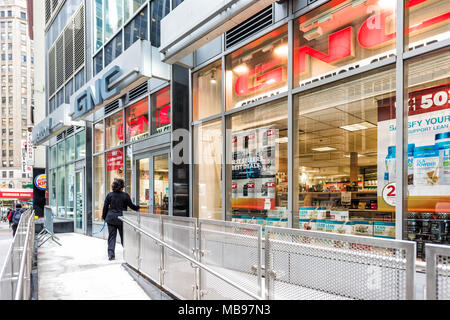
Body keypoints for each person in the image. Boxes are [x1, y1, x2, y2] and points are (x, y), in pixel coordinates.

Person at [102, 178, 140, 261]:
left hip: (111, 219)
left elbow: (105, 207)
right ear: (121, 186)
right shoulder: (125, 195)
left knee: (112, 236)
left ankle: (111, 255)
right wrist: (138, 207)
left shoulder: (109, 195)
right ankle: (128, 253)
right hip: (121, 219)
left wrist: (104, 217)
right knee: (124, 236)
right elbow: (131, 206)